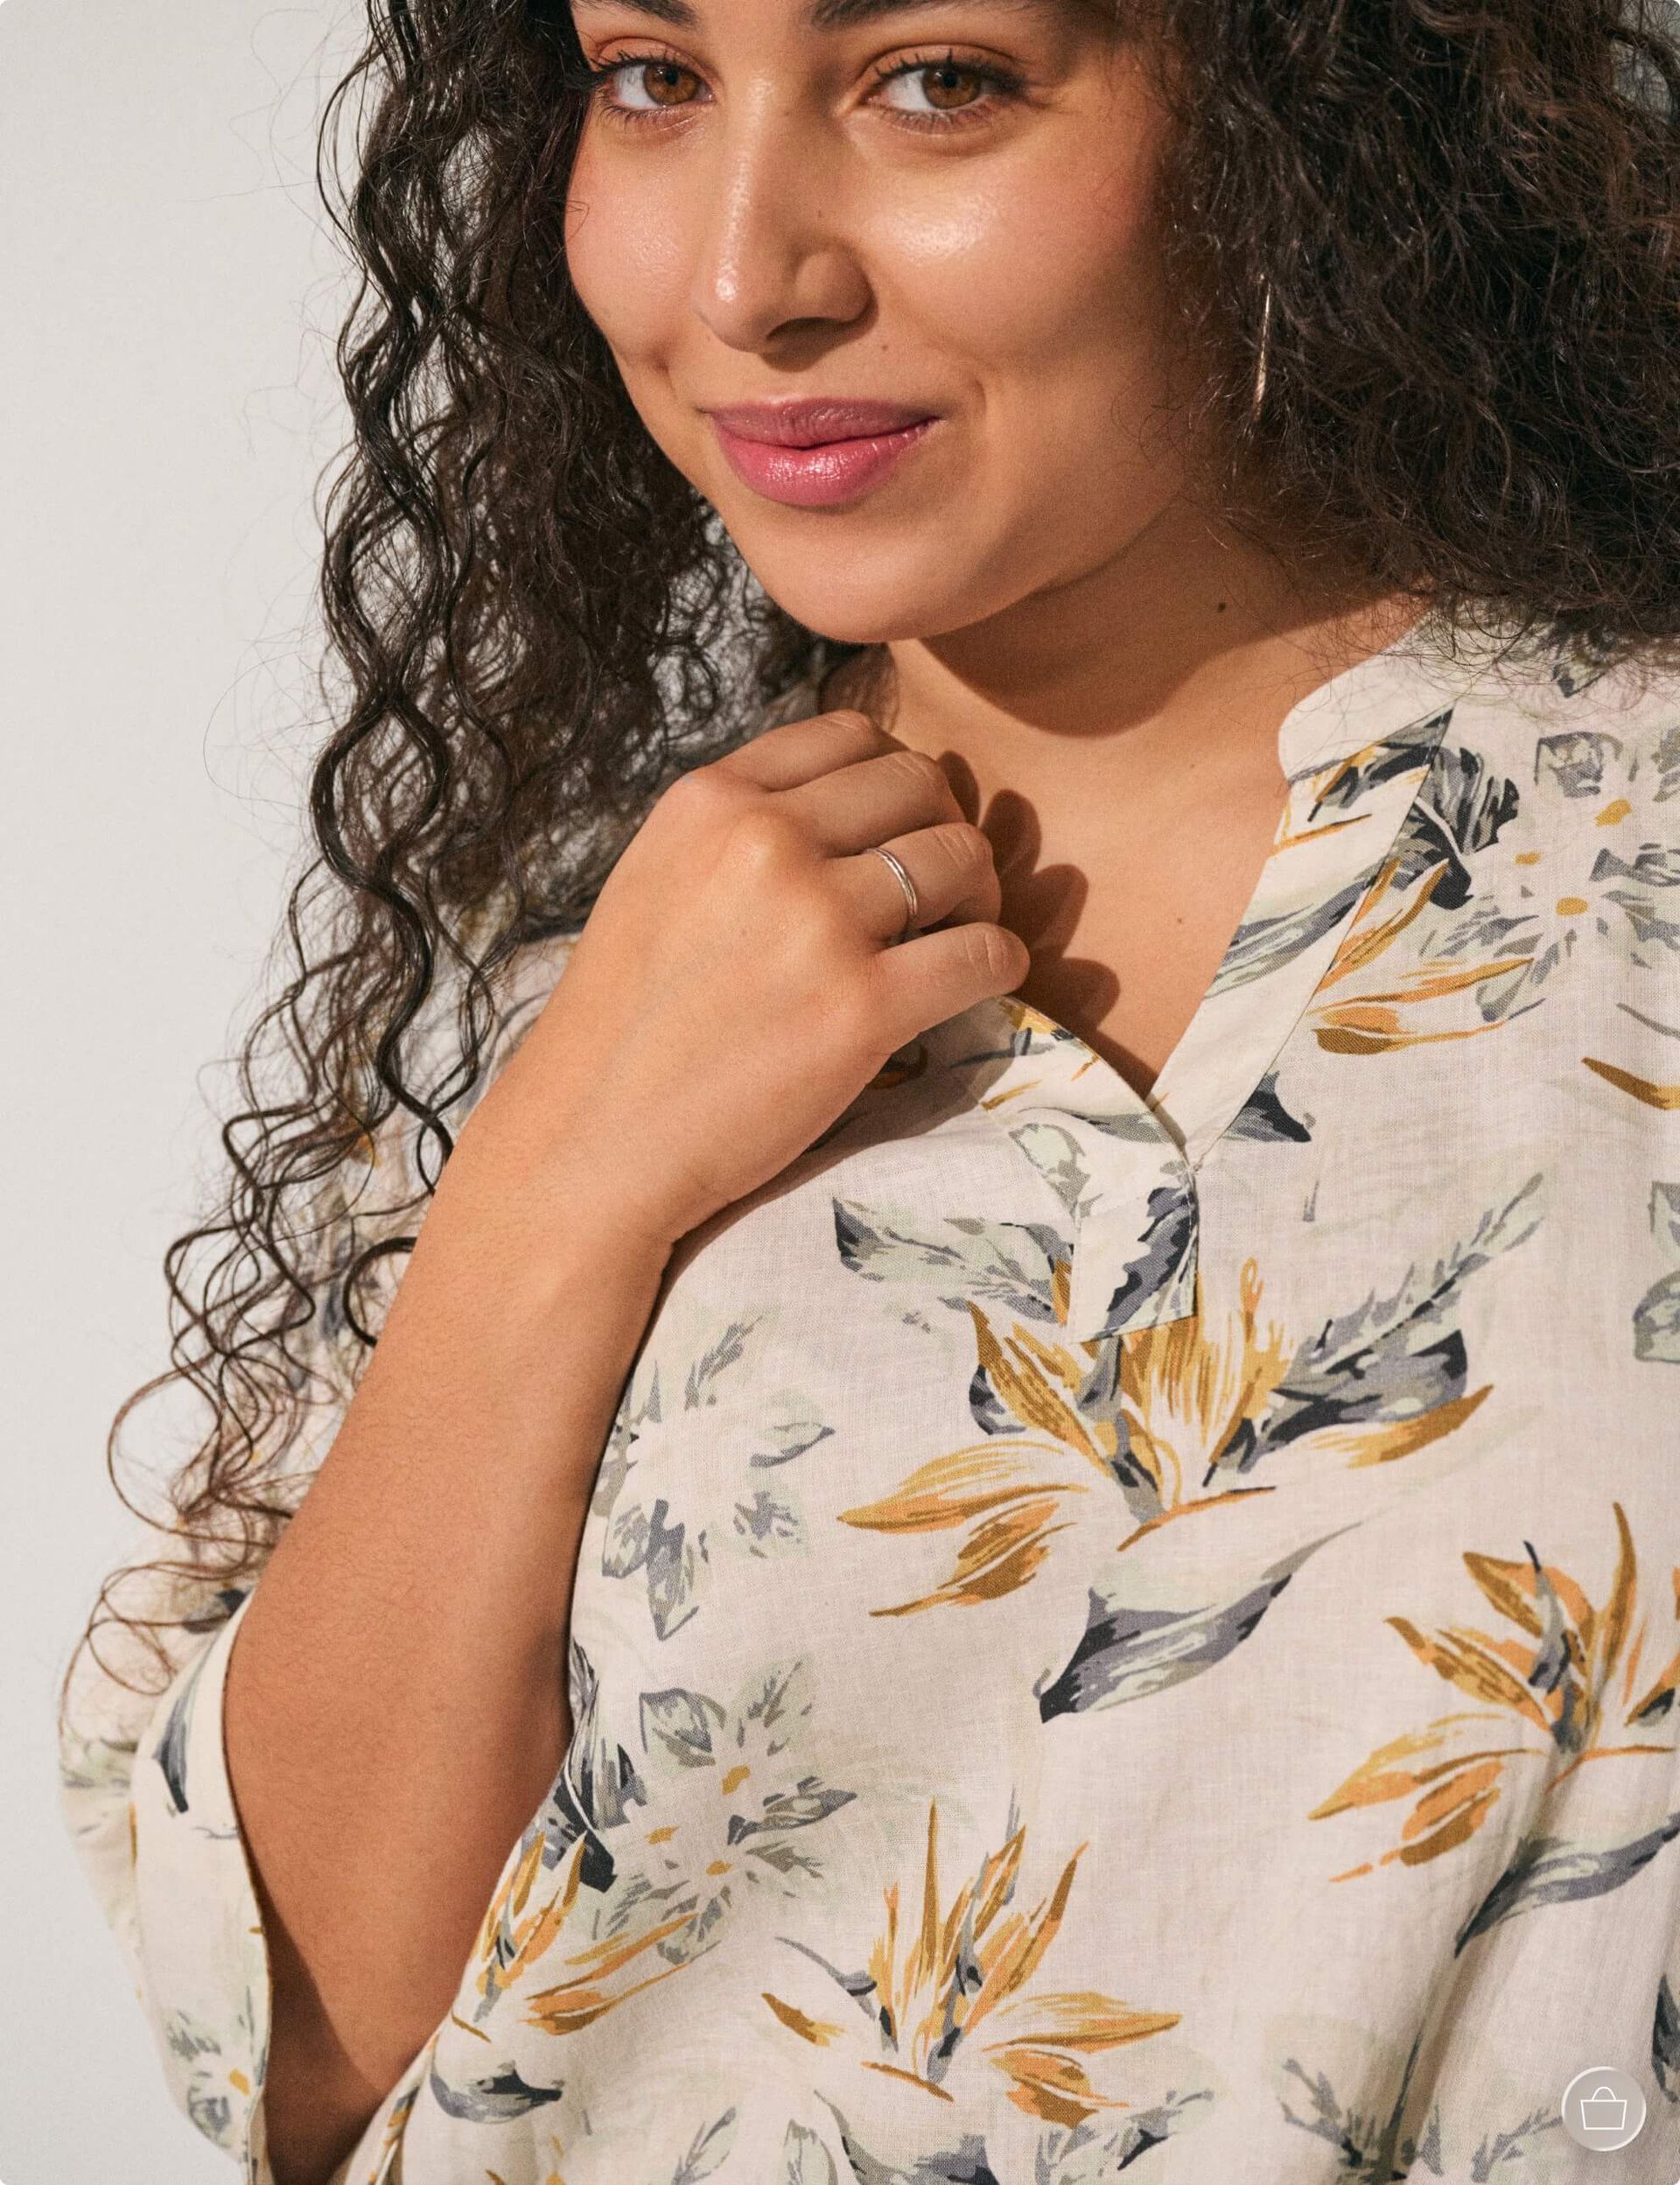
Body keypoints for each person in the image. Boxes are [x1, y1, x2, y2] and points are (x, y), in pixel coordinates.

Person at [55, 0, 1680, 2179]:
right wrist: (559, 1188)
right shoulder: (567, 984)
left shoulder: (1629, 864)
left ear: (1319, 112)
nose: (746, 278)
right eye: (652, 78)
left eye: (939, 81)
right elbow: (308, 2058)